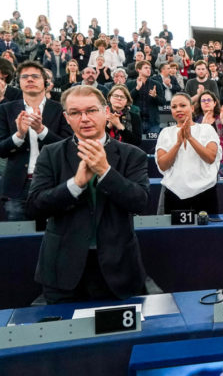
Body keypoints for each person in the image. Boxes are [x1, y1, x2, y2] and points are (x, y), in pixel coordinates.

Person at [26, 85, 149, 303]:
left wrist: (105, 171)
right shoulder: (51, 154)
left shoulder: (133, 155)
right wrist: (76, 184)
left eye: (91, 110)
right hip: (62, 268)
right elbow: (35, 206)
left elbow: (140, 202)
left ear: (106, 112)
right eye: (75, 112)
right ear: (66, 117)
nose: (84, 118)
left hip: (118, 268)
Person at [0, 61, 71, 220]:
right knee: (19, 239)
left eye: (35, 76)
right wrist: (19, 135)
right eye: (24, 77)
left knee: (54, 237)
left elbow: (68, 145)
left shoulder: (61, 109)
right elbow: (1, 149)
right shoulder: (6, 109)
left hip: (53, 183)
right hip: (17, 187)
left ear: (46, 82)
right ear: (19, 82)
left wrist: (41, 130)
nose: (29, 79)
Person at [155, 92, 221, 214]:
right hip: (174, 193)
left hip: (205, 192)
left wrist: (190, 138)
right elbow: (162, 165)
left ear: (191, 108)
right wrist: (178, 143)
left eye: (182, 105)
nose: (178, 109)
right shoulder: (165, 132)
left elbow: (210, 158)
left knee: (207, 232)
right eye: (174, 107)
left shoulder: (206, 129)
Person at [195, 90, 223, 178]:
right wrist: (202, 127)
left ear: (214, 103)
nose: (206, 102)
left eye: (209, 100)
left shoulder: (222, 118)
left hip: (222, 162)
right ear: (200, 104)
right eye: (203, 100)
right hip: (202, 161)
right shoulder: (196, 121)